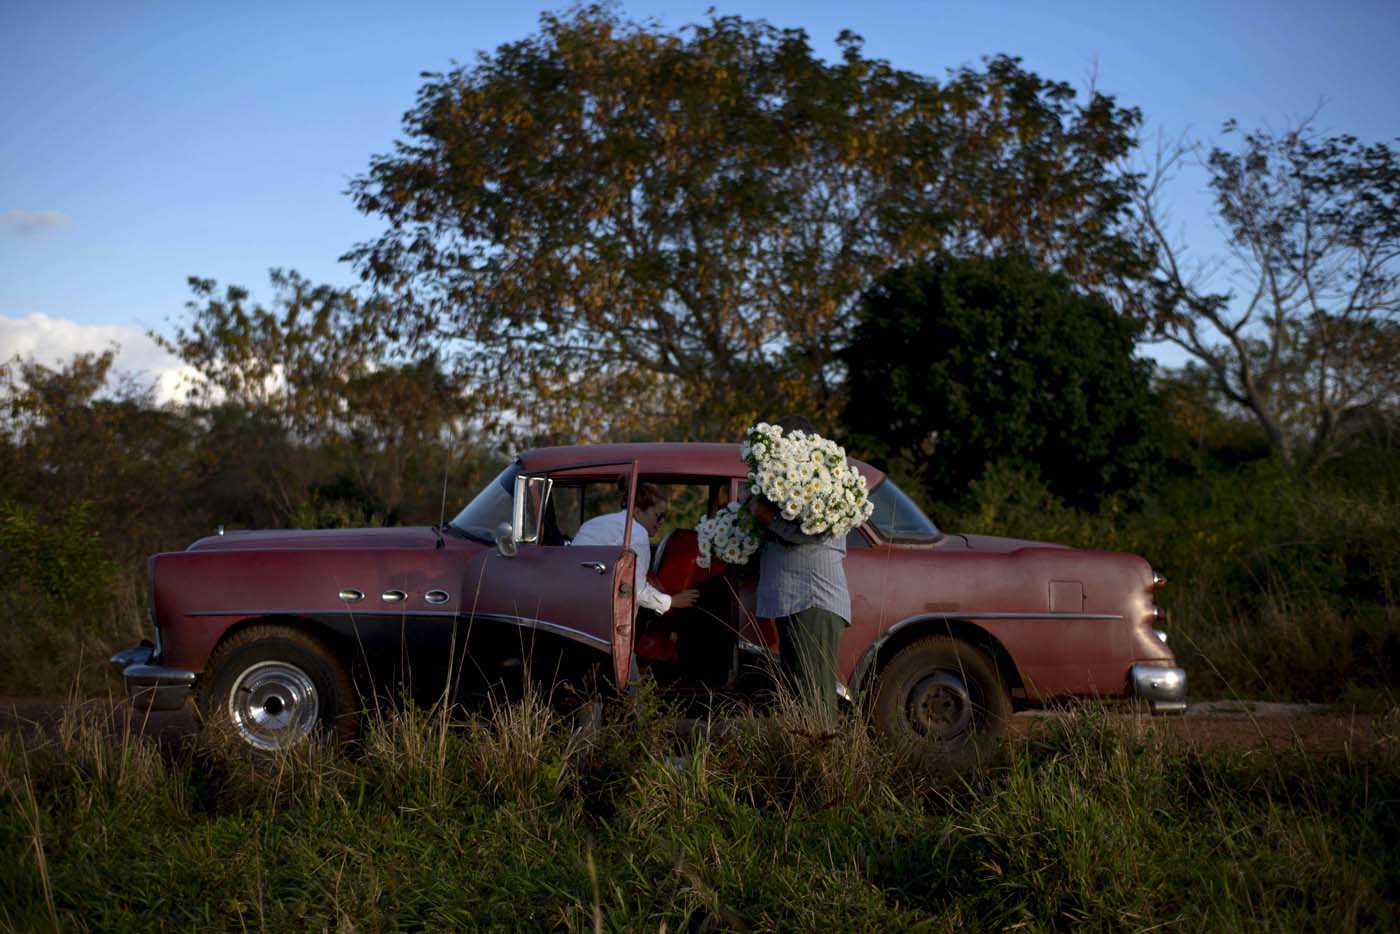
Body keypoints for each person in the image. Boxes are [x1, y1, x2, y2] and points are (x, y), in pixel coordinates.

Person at [749, 415, 850, 721]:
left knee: (814, 693)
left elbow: (815, 533)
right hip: (796, 598)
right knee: (799, 689)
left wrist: (769, 519)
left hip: (812, 597)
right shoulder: (797, 477)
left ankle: (823, 762)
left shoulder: (823, 478)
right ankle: (806, 760)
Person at [572, 480, 698, 616]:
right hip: (602, 611)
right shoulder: (637, 533)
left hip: (575, 600)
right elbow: (635, 588)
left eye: (664, 517)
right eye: (658, 515)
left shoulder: (595, 522)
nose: (662, 521)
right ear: (637, 511)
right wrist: (671, 602)